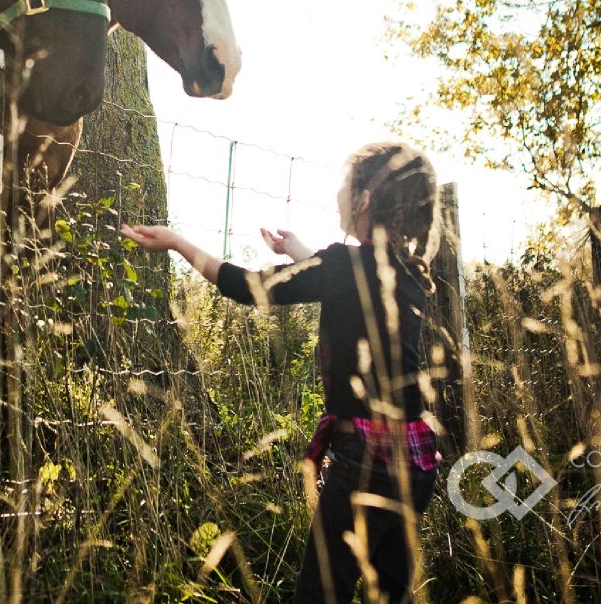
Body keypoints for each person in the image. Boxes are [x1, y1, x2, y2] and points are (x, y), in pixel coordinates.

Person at [121, 141, 442, 604]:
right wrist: (299, 253)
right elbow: (352, 286)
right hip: (416, 460)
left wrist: (177, 242)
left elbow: (251, 288)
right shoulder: (409, 273)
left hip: (366, 463)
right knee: (392, 593)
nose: (337, 194)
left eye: (344, 184)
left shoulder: (342, 266)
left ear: (364, 201)